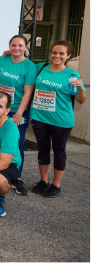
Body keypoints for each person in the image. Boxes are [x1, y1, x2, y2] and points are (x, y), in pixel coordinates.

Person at [0, 35, 37, 195]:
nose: (16, 48)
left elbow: (28, 92)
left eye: (20, 45)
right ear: (9, 46)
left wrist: (18, 113)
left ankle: (16, 177)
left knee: (16, 144)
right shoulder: (2, 59)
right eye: (13, 45)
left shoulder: (30, 67)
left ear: (25, 47)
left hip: (17, 110)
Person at [30, 40, 86, 198]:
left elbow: (81, 100)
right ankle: (43, 181)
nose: (57, 56)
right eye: (54, 52)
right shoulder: (40, 68)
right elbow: (23, 67)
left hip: (61, 120)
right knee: (43, 149)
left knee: (59, 151)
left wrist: (80, 88)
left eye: (62, 53)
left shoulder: (71, 75)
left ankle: (56, 185)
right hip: (39, 117)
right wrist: (7, 54)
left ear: (68, 56)